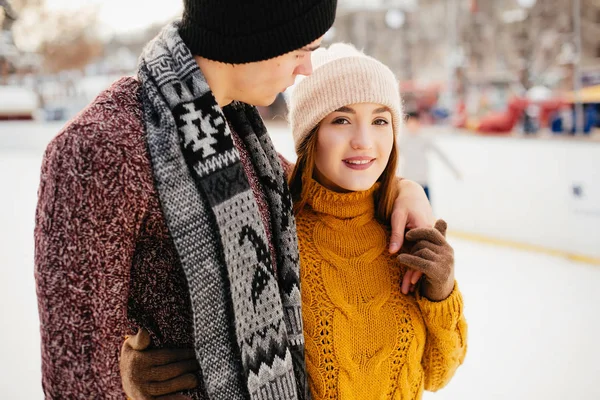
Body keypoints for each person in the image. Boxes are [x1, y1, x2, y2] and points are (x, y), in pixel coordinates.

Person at [34, 1, 435, 398]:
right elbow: (78, 374)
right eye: (301, 51)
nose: (305, 69)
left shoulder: (238, 135)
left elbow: (328, 186)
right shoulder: (101, 148)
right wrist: (124, 376)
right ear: (255, 35)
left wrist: (402, 188)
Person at [119, 43, 467, 400]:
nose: (364, 141)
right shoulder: (271, 229)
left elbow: (437, 373)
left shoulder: (405, 230)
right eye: (341, 120)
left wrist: (441, 292)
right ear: (309, 133)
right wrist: (129, 375)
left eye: (380, 121)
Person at [398, 110, 461, 201]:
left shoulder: (424, 138)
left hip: (423, 182)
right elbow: (392, 157)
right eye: (410, 123)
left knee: (427, 211)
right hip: (409, 182)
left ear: (418, 123)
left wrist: (455, 171)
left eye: (414, 123)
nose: (412, 126)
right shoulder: (402, 140)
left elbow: (441, 154)